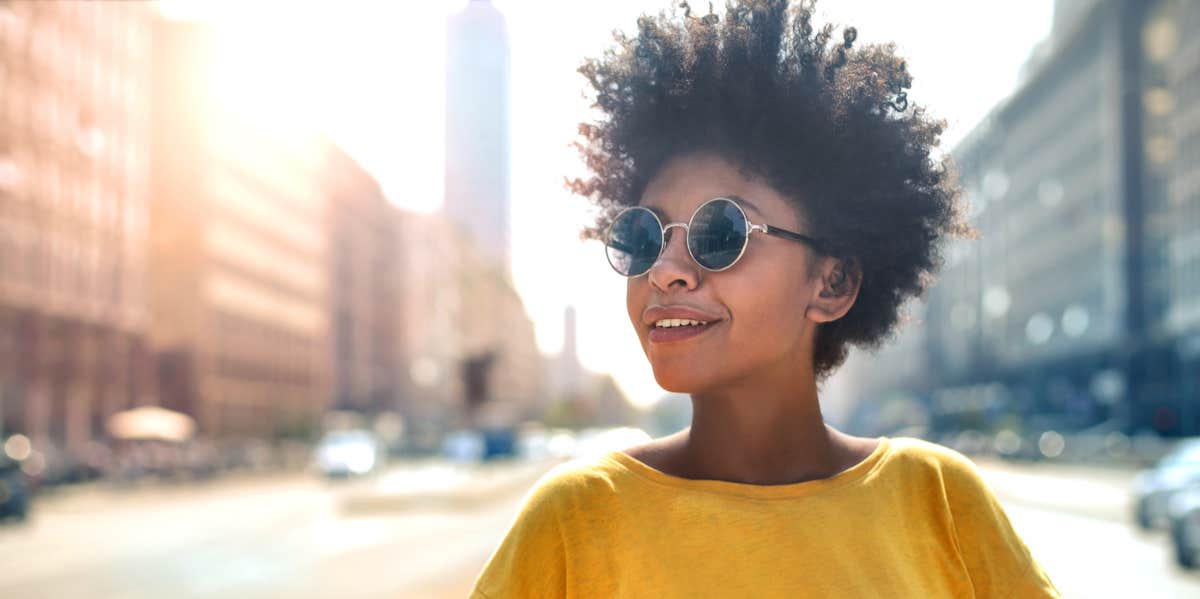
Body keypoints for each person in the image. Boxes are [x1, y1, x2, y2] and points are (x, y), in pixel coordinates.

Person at [470, 1, 1060, 596]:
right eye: (642, 238)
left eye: (719, 234)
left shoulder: (941, 500)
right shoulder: (573, 519)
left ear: (831, 284)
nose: (666, 271)